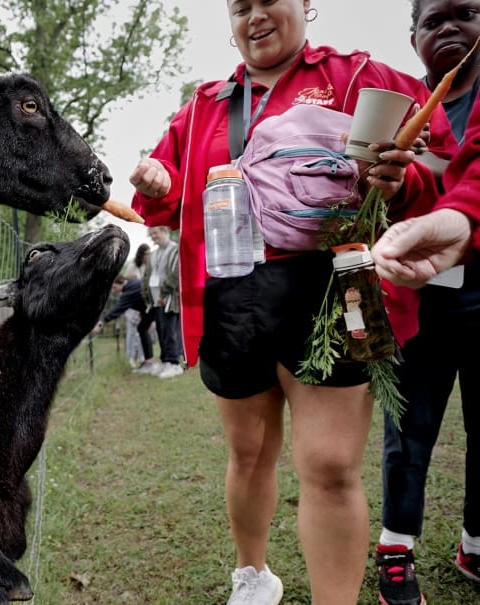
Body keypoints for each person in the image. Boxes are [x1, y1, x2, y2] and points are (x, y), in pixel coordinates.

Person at [128, 1, 456, 603]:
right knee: (249, 452)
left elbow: (444, 152)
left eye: (267, 0)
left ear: (306, 4)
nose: (254, 16)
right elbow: (167, 195)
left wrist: (404, 179)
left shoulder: (358, 77)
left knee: (330, 466)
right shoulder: (204, 105)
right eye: (239, 6)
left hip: (332, 291)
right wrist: (157, 180)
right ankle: (254, 578)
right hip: (233, 293)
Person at [375, 4, 480, 603]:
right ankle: (396, 547)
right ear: (412, 36)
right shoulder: (397, 105)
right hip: (423, 296)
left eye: (463, 12)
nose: (447, 27)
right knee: (409, 428)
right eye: (431, 19)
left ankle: (475, 543)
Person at [139, 226, 183, 379]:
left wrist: (164, 293)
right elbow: (147, 276)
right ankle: (166, 362)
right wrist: (147, 296)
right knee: (161, 332)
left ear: (165, 231)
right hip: (155, 300)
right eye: (151, 234)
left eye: (155, 233)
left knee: (170, 332)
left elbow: (177, 273)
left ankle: (174, 364)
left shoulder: (176, 249)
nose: (153, 237)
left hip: (169, 298)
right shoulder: (153, 254)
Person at [92, 274, 156, 369]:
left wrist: (101, 323)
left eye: (114, 287)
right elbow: (141, 298)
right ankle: (149, 361)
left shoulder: (128, 292)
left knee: (152, 330)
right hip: (151, 309)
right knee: (142, 328)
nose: (113, 291)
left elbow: (117, 309)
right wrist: (142, 311)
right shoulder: (132, 285)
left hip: (157, 308)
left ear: (120, 283)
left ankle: (160, 362)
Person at [124, 244, 152, 366]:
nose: (149, 256)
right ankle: (130, 357)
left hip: (143, 304)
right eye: (147, 253)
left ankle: (142, 356)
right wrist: (131, 278)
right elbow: (125, 282)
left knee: (142, 331)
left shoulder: (148, 267)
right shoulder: (132, 266)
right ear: (141, 254)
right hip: (132, 305)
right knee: (131, 332)